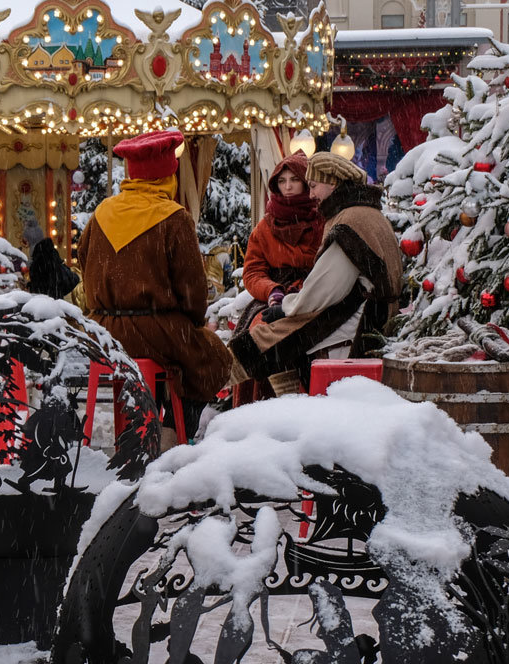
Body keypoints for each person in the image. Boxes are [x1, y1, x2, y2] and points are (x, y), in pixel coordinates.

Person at [78, 129, 233, 447]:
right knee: (212, 359)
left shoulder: (101, 214)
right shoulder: (173, 218)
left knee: (178, 356)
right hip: (156, 327)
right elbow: (192, 293)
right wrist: (192, 322)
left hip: (103, 330)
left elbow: (84, 263)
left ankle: (135, 425)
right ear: (168, 176)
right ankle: (174, 430)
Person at [228, 152, 403, 394]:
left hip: (356, 316)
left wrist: (286, 308)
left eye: (312, 186)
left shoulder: (348, 222)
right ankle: (281, 399)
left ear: (332, 183)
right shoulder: (364, 214)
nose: (310, 195)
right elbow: (254, 270)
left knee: (269, 342)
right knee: (269, 332)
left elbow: (323, 289)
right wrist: (273, 291)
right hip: (355, 308)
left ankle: (210, 380)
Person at [231, 151, 323, 404]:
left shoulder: (322, 219)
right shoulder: (265, 226)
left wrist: (303, 289)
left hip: (314, 291)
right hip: (273, 295)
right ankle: (258, 404)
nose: (288, 186)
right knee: (258, 330)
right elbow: (252, 271)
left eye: (294, 179)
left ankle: (299, 400)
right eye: (282, 181)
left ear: (306, 182)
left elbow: (327, 264)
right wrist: (272, 291)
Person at [24, 219, 81, 300]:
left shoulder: (37, 264)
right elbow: (72, 279)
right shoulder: (55, 261)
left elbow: (36, 283)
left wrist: (30, 285)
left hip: (41, 300)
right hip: (57, 299)